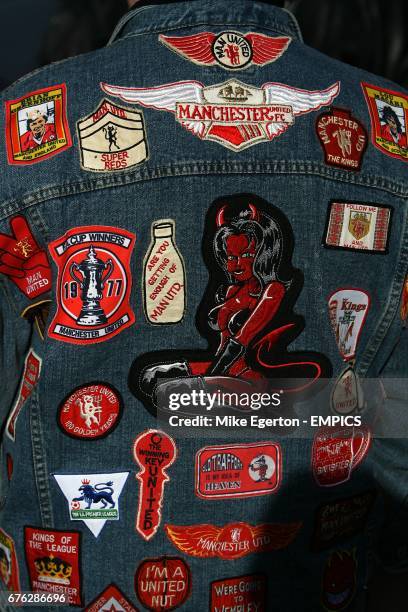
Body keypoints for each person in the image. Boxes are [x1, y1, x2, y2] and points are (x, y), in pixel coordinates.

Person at [0, 1, 407, 611]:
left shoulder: (21, 123)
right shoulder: (391, 131)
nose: (234, 268)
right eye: (230, 259)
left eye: (243, 259)